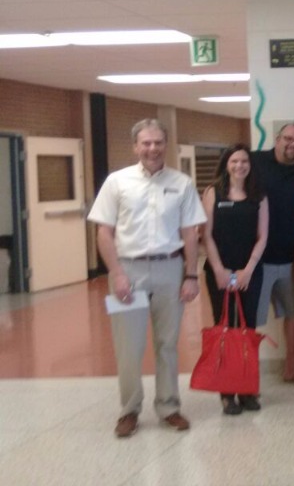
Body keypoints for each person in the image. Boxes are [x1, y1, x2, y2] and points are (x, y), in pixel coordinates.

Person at [88, 119, 206, 438]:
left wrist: (191, 275)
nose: (152, 148)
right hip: (128, 270)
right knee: (129, 347)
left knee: (168, 343)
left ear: (166, 145)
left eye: (158, 142)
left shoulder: (182, 183)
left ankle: (169, 406)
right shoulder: (117, 182)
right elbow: (103, 232)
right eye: (146, 143)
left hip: (170, 270)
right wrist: (117, 273)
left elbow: (190, 233)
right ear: (135, 146)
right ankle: (129, 410)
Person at [201, 144, 269, 414]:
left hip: (250, 272)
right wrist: (219, 269)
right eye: (234, 161)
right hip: (219, 271)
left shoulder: (258, 195)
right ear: (226, 164)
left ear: (250, 165)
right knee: (226, 329)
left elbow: (263, 236)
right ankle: (227, 392)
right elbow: (206, 234)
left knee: (247, 329)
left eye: (244, 161)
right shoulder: (213, 192)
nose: (240, 166)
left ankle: (247, 389)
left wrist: (248, 270)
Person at [251, 122, 294, 382]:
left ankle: (293, 367)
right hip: (255, 259)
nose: (293, 144)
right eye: (288, 138)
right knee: (249, 318)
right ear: (277, 139)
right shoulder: (254, 162)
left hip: (292, 259)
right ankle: (245, 374)